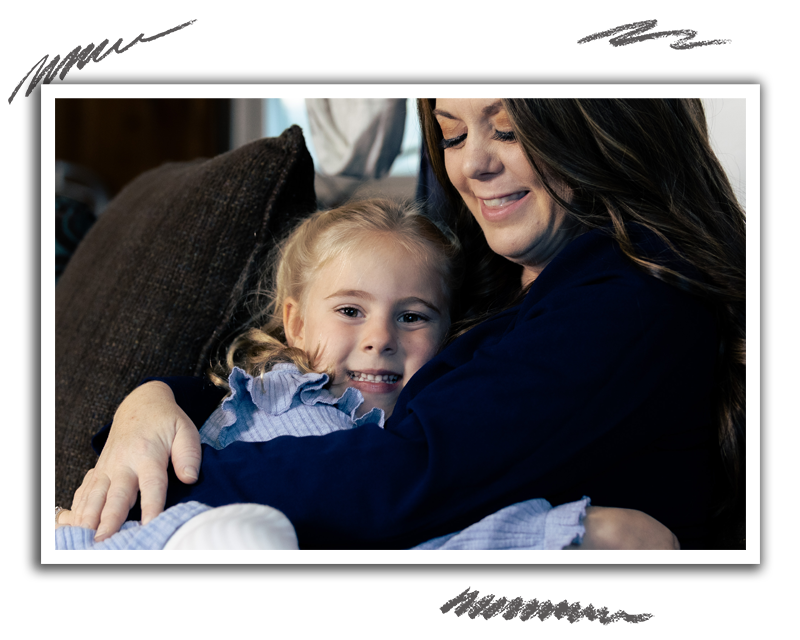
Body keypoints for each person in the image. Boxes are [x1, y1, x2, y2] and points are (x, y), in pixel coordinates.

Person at [63, 99, 745, 550]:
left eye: (508, 130)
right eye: (452, 133)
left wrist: (158, 490)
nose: (473, 164)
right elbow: (297, 391)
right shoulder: (498, 275)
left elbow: (406, 475)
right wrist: (151, 402)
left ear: (603, 121)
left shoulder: (631, 302)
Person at [55, 197, 647, 550]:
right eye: (349, 311)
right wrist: (149, 400)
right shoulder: (271, 388)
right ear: (295, 323)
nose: (380, 338)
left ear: (447, 336)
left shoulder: (419, 430)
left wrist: (559, 529)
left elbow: (427, 537)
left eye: (412, 317)